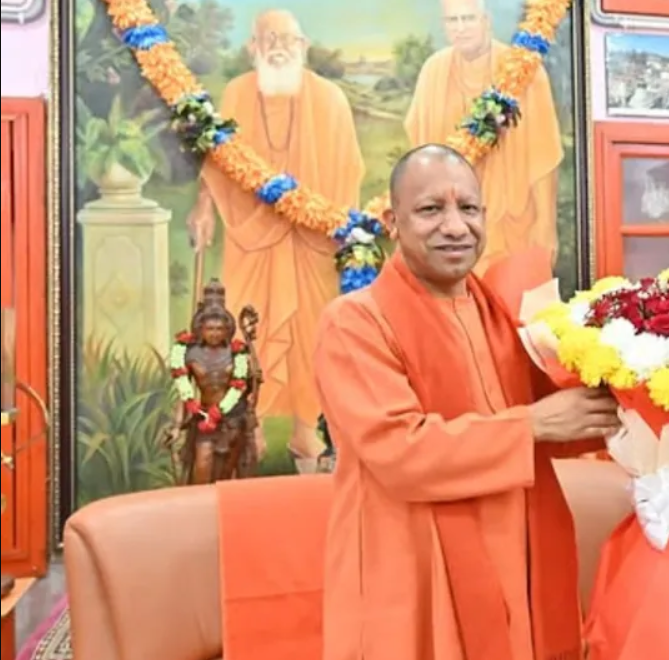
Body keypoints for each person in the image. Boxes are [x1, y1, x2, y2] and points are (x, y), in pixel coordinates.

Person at [314, 144, 619, 660]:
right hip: (416, 566)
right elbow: (399, 450)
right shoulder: (354, 323)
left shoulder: (500, 313)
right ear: (392, 221)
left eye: (469, 208)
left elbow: (563, 416)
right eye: (431, 209)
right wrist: (532, 426)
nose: (455, 227)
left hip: (517, 553)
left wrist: (645, 398)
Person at [188, 9, 365, 471]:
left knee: (312, 335)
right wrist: (204, 207)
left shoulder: (330, 100)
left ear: (303, 46)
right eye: (269, 38)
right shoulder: (237, 93)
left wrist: (317, 217)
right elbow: (219, 159)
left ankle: (308, 436)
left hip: (311, 243)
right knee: (248, 327)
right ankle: (251, 428)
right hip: (252, 239)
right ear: (253, 47)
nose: (278, 46)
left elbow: (348, 171)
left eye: (288, 39)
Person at [404, 0, 563, 273]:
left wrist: (546, 225)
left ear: (486, 21)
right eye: (452, 21)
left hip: (513, 220)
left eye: (468, 18)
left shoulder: (524, 71)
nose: (461, 28)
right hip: (450, 224)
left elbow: (544, 155)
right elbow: (419, 153)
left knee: (517, 297)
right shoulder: (433, 72)